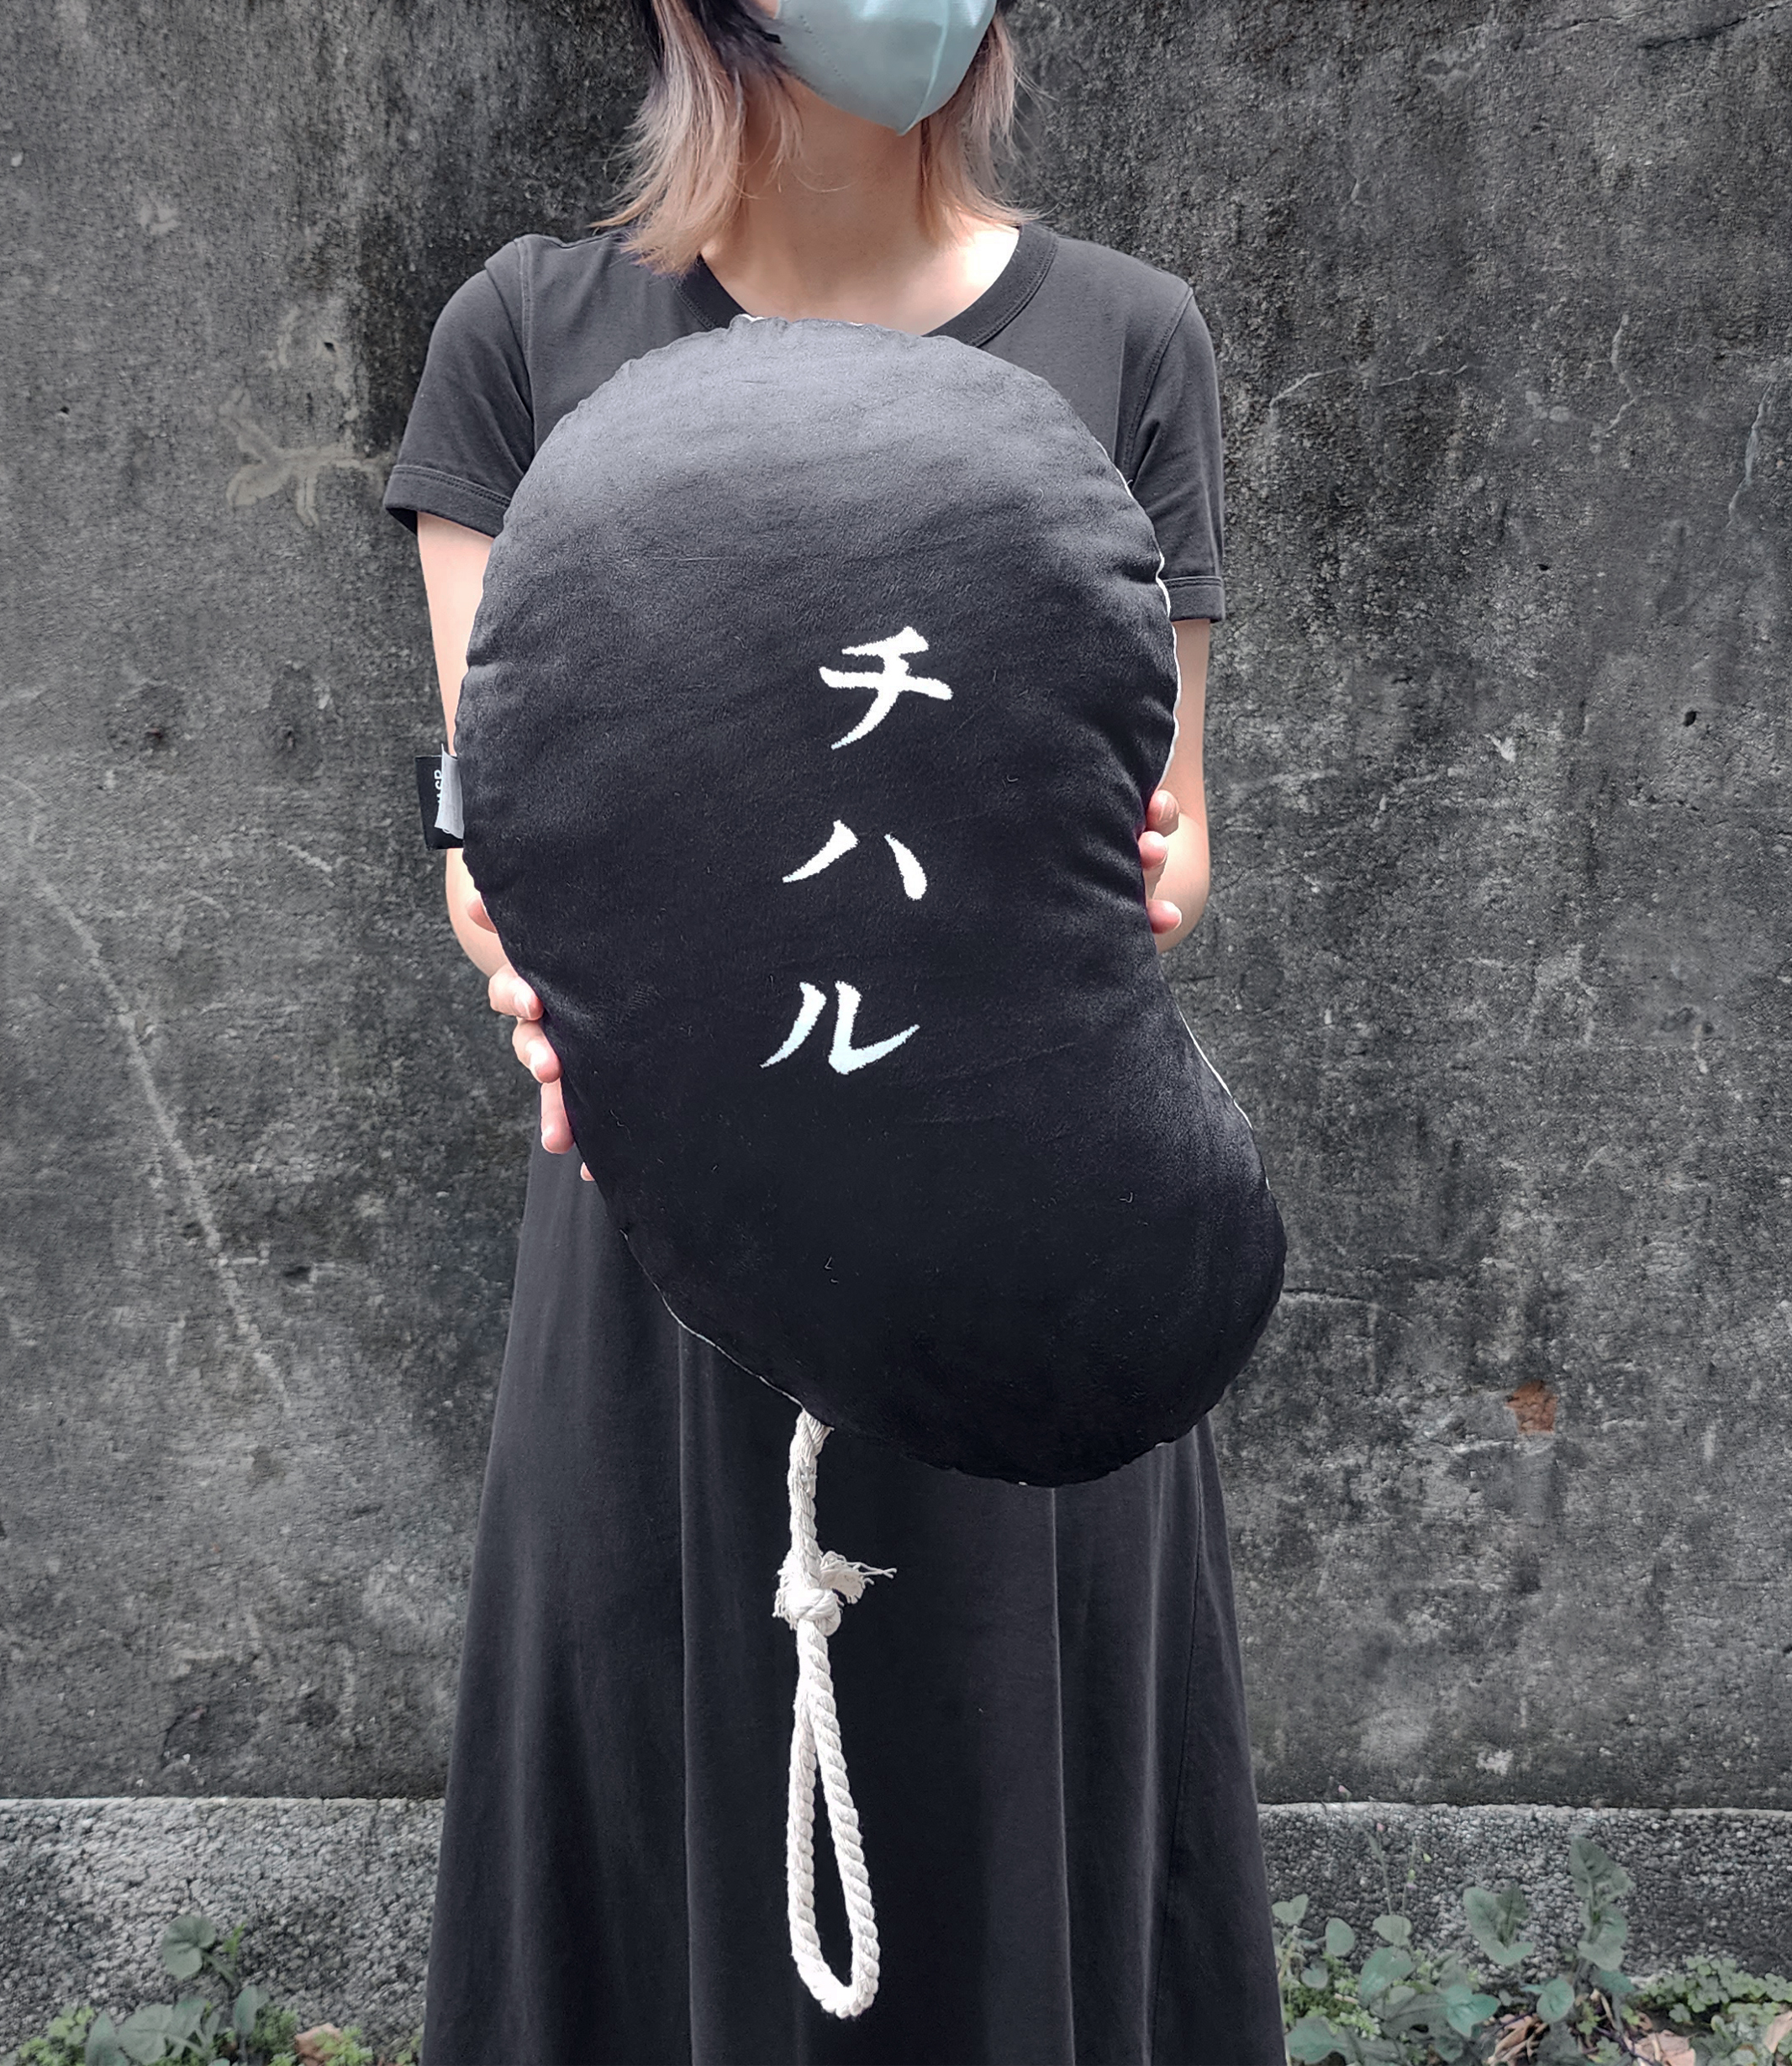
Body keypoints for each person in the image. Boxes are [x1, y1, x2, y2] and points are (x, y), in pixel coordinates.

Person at [382, 2, 1285, 2058]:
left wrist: (1143, 871)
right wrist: (521, 958)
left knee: (1006, 1808)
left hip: (1032, 1231)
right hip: (666, 1246)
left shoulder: (1126, 336)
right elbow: (495, 831)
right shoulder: (529, 336)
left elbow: (1169, 828)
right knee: (666, 1794)